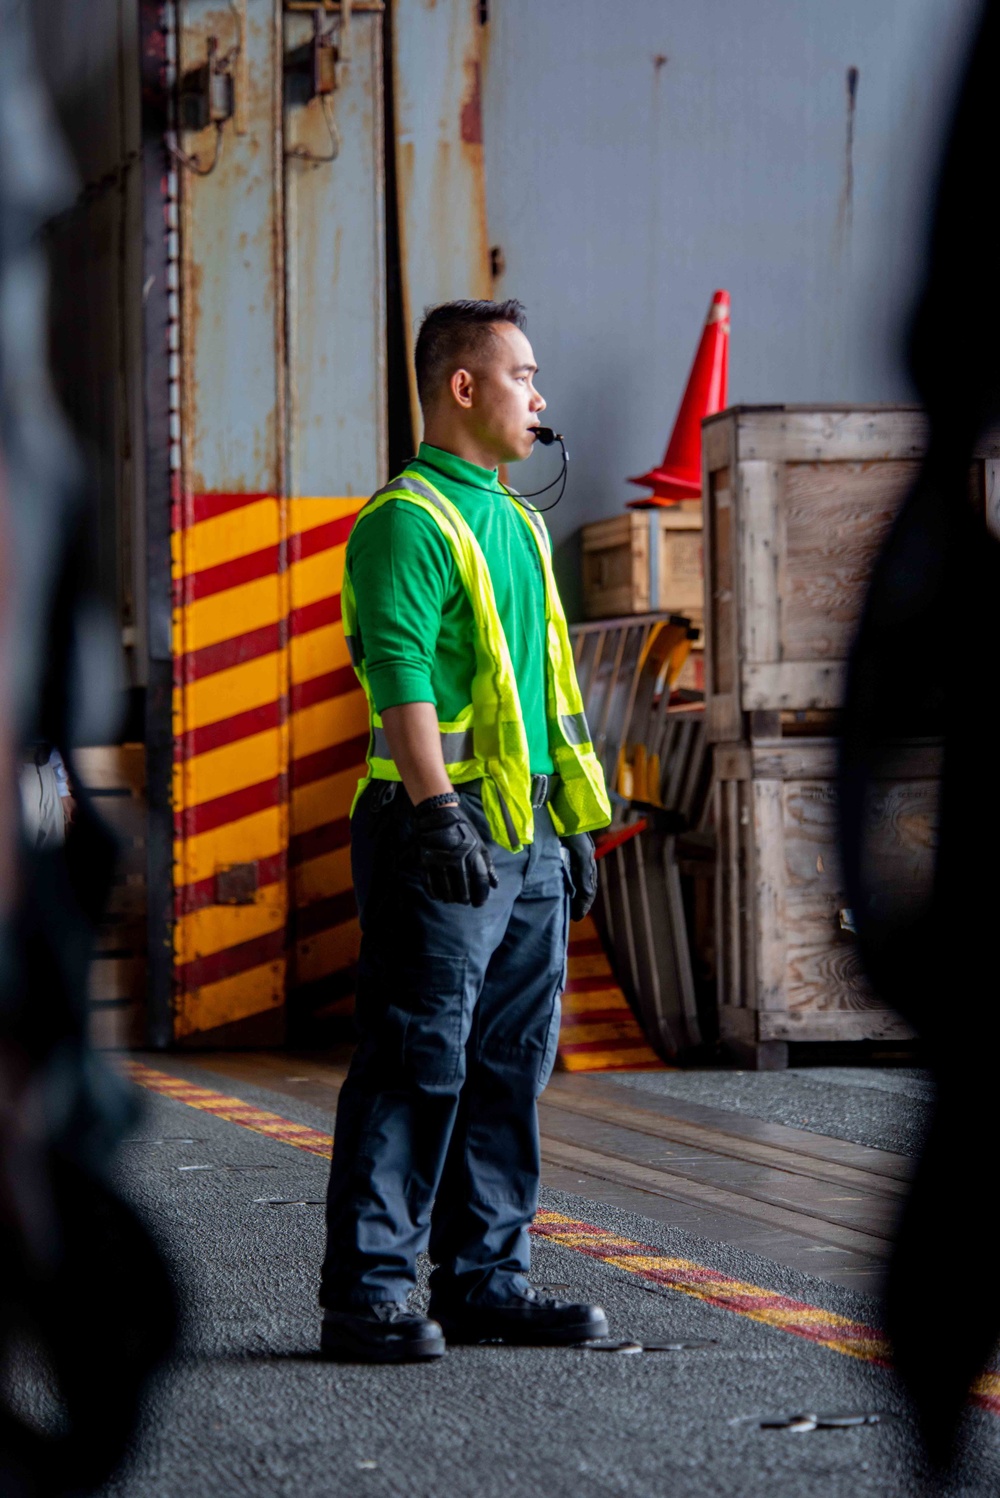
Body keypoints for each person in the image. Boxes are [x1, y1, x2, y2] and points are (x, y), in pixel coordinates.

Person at [319, 300, 613, 1362]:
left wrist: (568, 826)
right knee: (416, 1056)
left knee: (508, 1063)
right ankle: (371, 1293)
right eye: (523, 375)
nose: (539, 397)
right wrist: (436, 808)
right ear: (463, 388)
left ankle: (489, 1280)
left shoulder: (520, 522)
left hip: (525, 835)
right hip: (438, 831)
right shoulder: (408, 519)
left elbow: (543, 692)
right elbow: (395, 666)